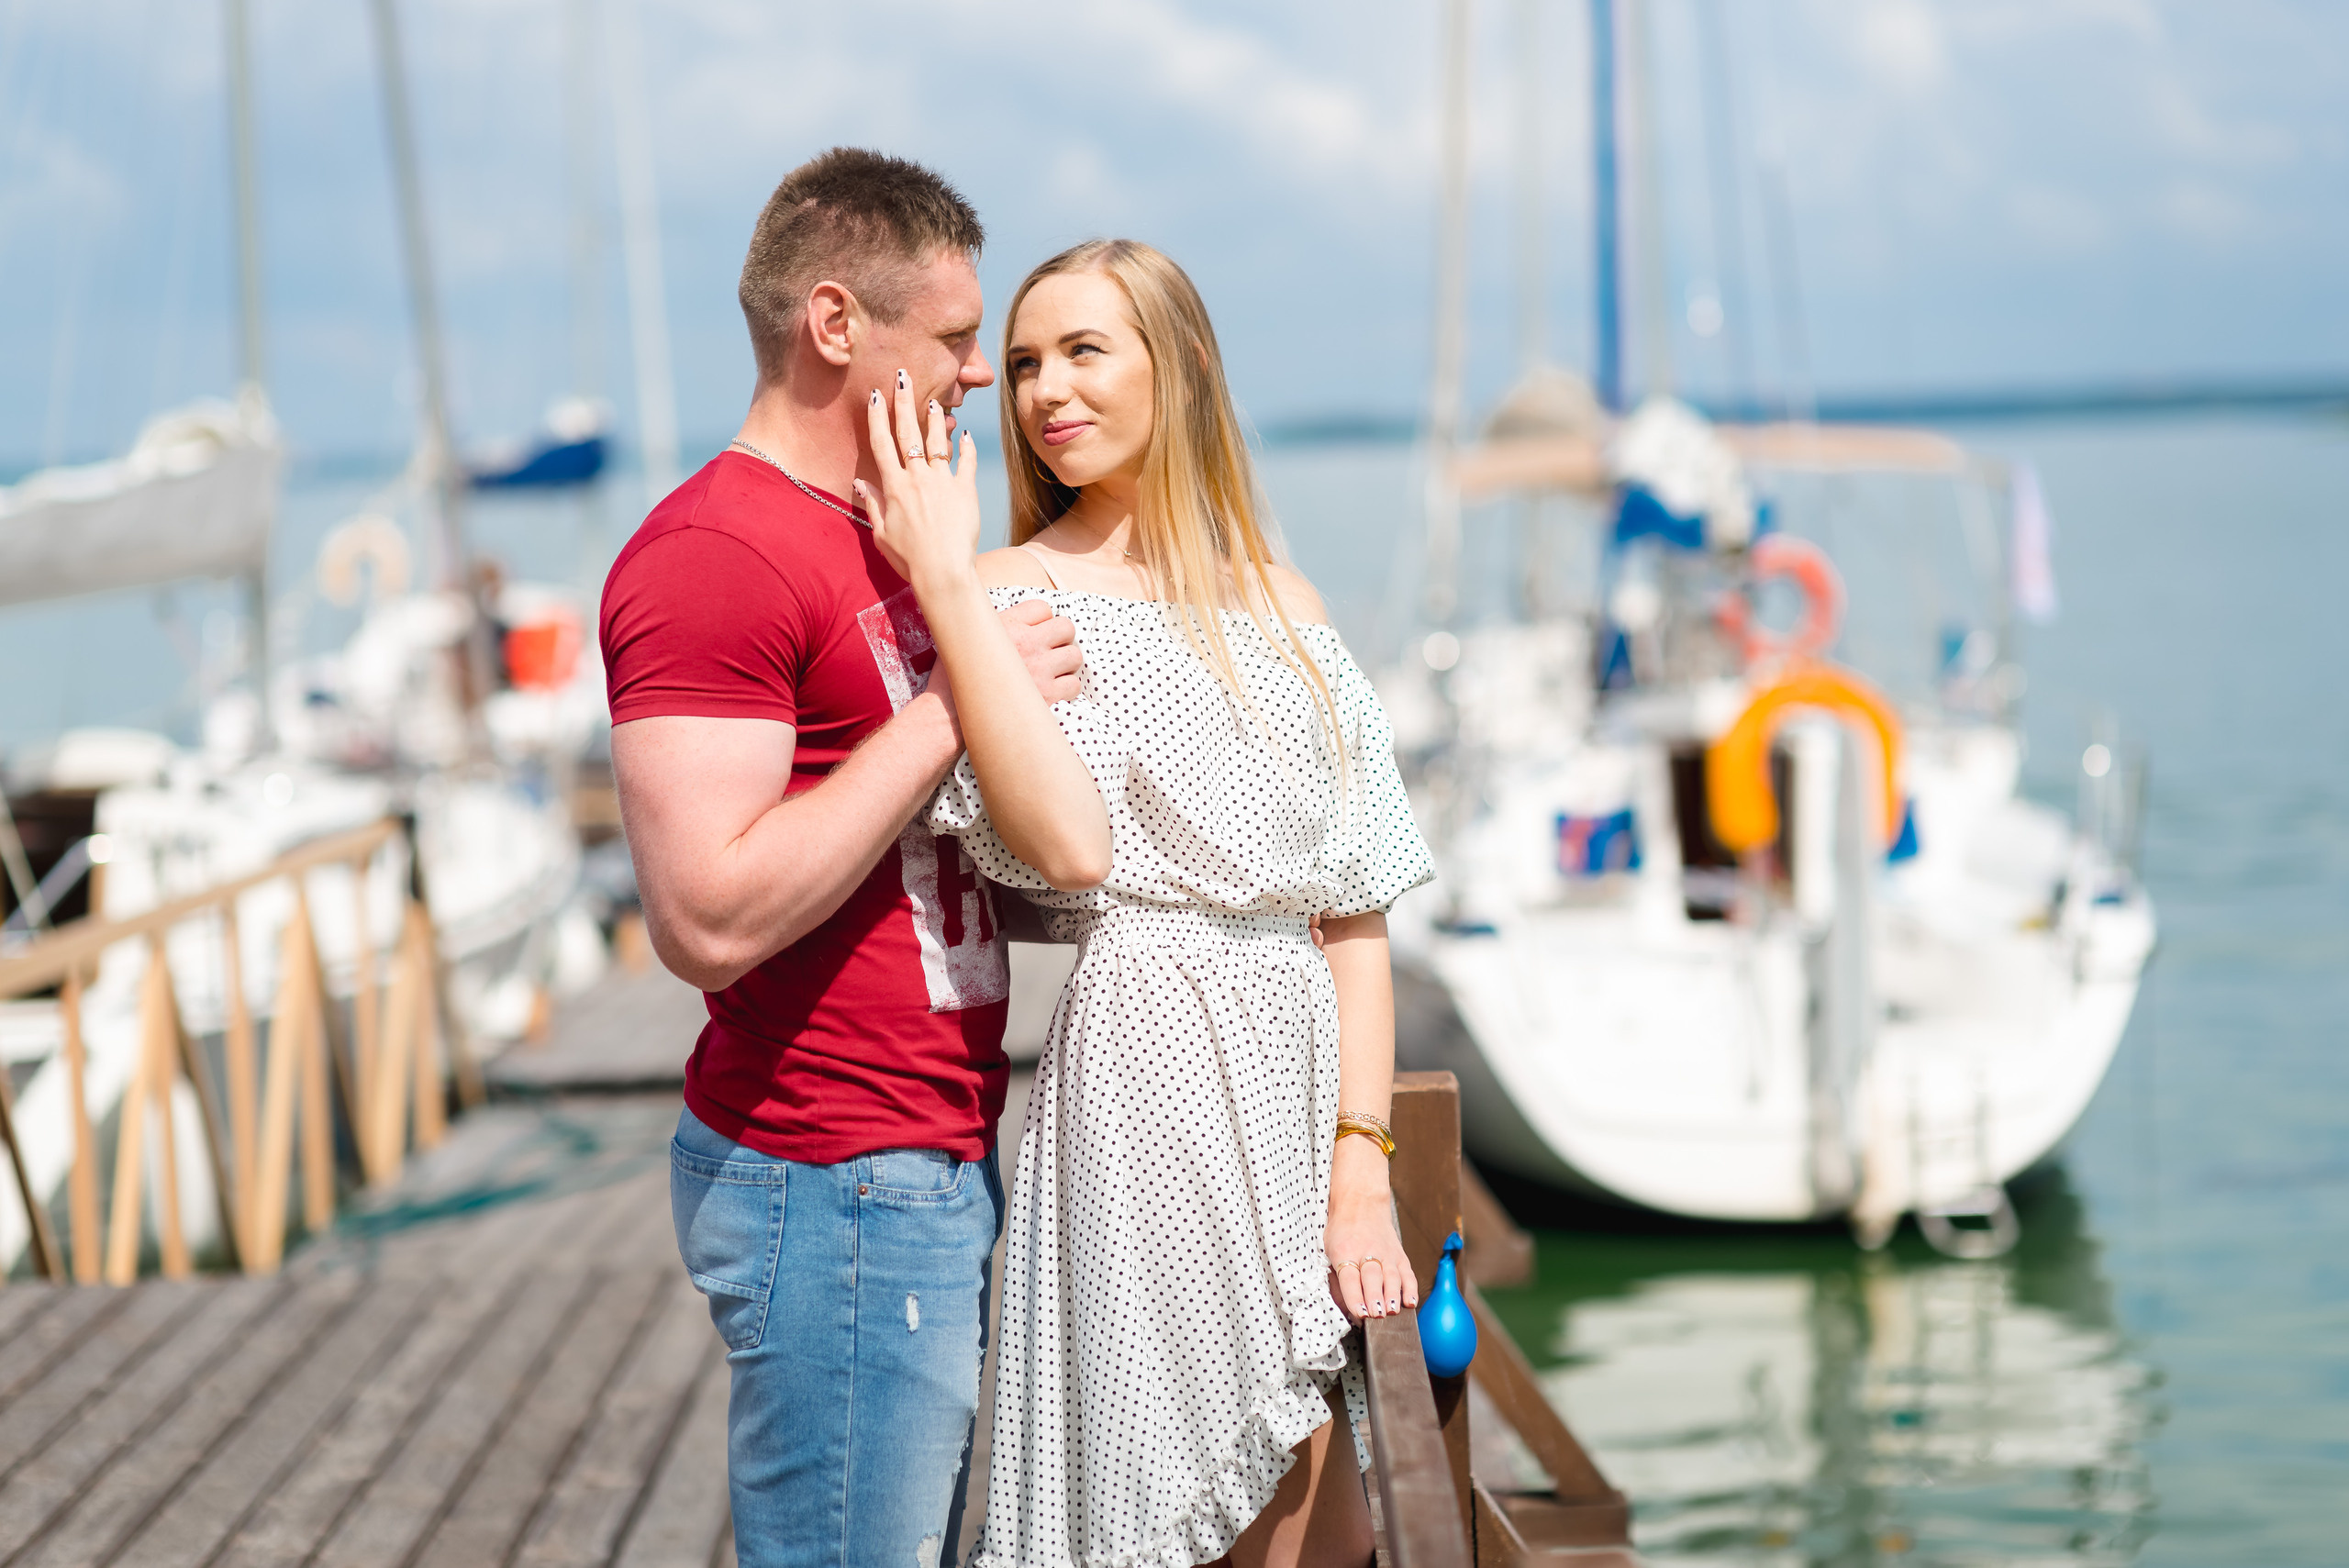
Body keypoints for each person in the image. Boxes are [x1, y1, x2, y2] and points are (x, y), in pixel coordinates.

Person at [857, 238, 1435, 1568]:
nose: (1043, 390)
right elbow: (1058, 837)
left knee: (1318, 1516)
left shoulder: (1286, 607)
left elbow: (1353, 917)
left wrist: (1363, 1170)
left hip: (1291, 1075)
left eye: (1082, 351)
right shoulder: (1008, 595)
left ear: (1177, 368)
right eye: (1019, 364)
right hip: (1142, 1073)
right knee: (1161, 1482)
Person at [599, 148, 1108, 1568]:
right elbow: (705, 916)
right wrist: (961, 699)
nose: (973, 377)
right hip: (834, 1176)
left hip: (929, 1157)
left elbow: (913, 846)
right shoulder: (717, 553)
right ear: (837, 324)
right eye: (955, 338)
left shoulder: (883, 543)